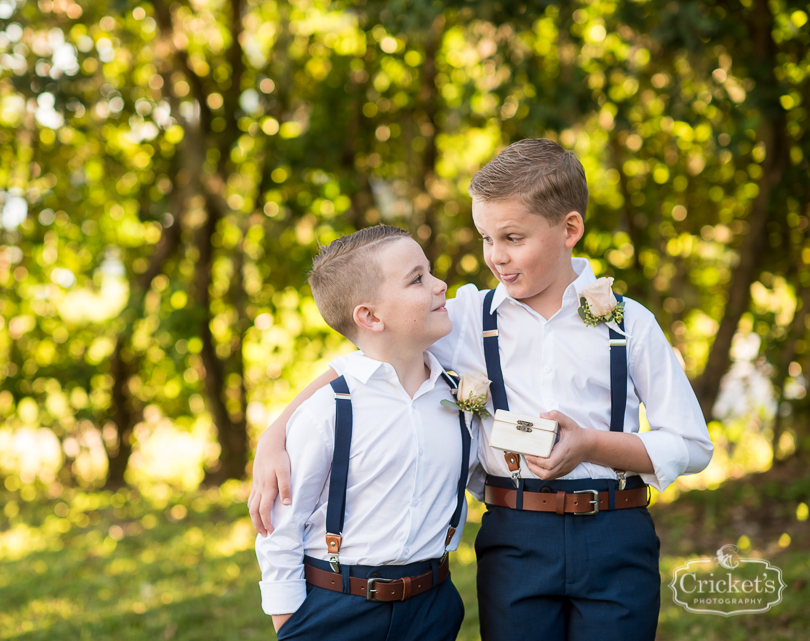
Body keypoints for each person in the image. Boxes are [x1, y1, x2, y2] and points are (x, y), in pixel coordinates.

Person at [250, 138, 714, 641]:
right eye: (485, 239)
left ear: (569, 229)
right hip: (515, 536)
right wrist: (278, 429)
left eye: (512, 238)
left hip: (616, 532)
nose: (495, 256)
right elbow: (369, 363)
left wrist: (592, 445)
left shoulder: (628, 323)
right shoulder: (466, 318)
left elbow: (692, 446)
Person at [255, 224, 483, 641]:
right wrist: (291, 625)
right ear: (370, 316)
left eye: (430, 272)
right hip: (337, 608)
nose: (439, 285)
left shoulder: (458, 400)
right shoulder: (330, 410)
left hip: (432, 607)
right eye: (418, 279)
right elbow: (281, 529)